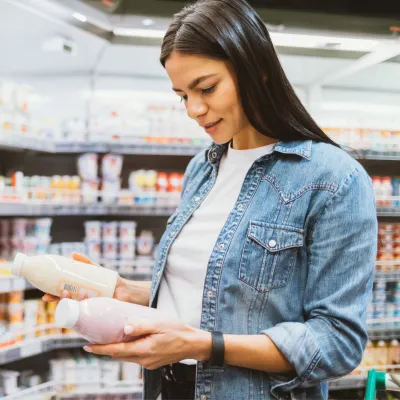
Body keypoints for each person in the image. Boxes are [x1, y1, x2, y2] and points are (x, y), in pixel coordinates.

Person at [44, 0, 378, 399]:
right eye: (182, 95)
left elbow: (337, 343)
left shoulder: (334, 179)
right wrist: (124, 291)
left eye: (206, 88)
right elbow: (215, 291)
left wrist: (204, 346)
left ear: (258, 71)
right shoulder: (200, 170)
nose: (195, 110)